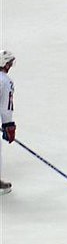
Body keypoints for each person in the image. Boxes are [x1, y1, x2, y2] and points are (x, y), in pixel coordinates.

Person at [0, 50, 16, 195]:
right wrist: (8, 125)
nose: (11, 65)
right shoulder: (5, 81)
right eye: (9, 62)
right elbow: (6, 107)